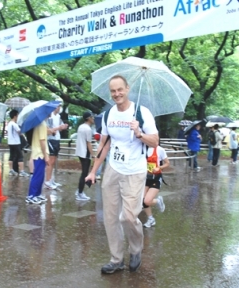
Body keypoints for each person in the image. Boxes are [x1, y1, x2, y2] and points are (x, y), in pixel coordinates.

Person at [85, 75, 159, 274]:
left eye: (120, 89)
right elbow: (104, 144)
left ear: (127, 89)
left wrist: (139, 133)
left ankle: (136, 249)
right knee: (110, 217)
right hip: (113, 169)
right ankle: (116, 259)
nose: (116, 94)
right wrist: (93, 171)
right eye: (113, 91)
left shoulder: (142, 113)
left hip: (135, 171)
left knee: (127, 217)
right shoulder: (109, 114)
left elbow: (155, 141)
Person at [26, 108, 55, 204]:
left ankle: (37, 194)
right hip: (39, 154)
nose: (51, 113)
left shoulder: (41, 124)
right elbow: (42, 141)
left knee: (40, 175)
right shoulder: (41, 124)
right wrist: (46, 156)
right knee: (37, 175)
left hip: (39, 153)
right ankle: (31, 195)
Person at [143, 145, 169, 228]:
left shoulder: (159, 149)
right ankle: (151, 219)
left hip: (156, 179)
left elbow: (167, 163)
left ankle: (158, 201)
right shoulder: (142, 148)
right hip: (145, 178)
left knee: (147, 201)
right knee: (142, 200)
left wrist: (159, 168)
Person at [44, 104, 68, 189]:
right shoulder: (50, 117)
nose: (59, 108)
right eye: (58, 106)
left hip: (57, 139)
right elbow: (50, 130)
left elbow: (60, 127)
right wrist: (58, 128)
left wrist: (63, 127)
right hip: (51, 140)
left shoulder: (58, 116)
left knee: (54, 161)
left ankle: (51, 179)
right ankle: (47, 180)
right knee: (51, 160)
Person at [75, 111, 94, 201]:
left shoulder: (81, 127)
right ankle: (80, 193)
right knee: (84, 173)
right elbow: (88, 143)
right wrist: (93, 155)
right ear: (88, 118)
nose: (93, 118)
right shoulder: (88, 129)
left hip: (80, 152)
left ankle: (79, 190)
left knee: (84, 172)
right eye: (92, 117)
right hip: (85, 153)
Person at [7, 110, 29, 177]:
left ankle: (11, 170)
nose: (18, 117)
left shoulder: (9, 123)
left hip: (10, 142)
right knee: (20, 157)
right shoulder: (14, 124)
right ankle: (22, 171)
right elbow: (19, 132)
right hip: (16, 142)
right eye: (17, 115)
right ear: (15, 116)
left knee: (11, 156)